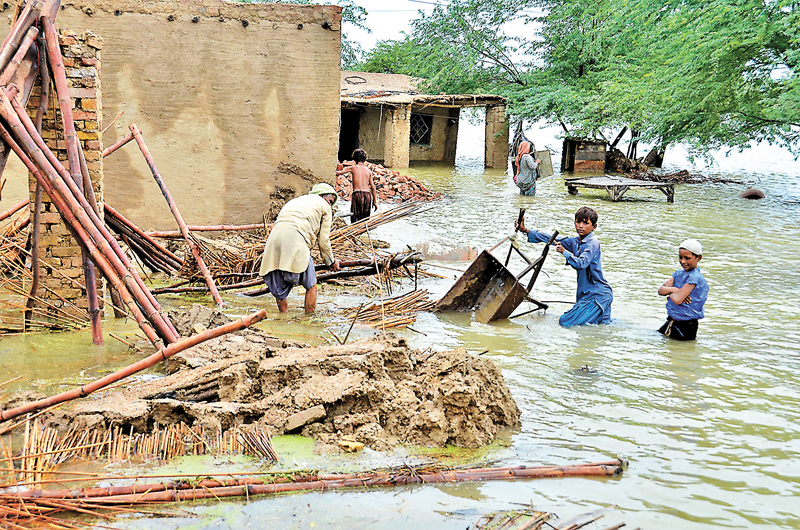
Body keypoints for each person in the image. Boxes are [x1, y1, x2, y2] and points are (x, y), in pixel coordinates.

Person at [515, 206, 613, 326]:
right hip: (588, 296)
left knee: (565, 321)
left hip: (598, 296)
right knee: (602, 327)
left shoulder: (593, 244)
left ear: (594, 227)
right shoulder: (575, 241)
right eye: (578, 222)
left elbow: (581, 264)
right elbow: (550, 238)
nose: (581, 226)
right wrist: (525, 231)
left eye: (585, 223)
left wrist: (564, 252)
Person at [259, 183, 342, 314]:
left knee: (279, 287)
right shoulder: (324, 206)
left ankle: (283, 318)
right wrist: (330, 262)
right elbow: (323, 240)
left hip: (274, 238)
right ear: (321, 196)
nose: (330, 205)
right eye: (330, 201)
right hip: (296, 238)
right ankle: (309, 319)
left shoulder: (297, 201)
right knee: (311, 284)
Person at [657, 239, 708, 340]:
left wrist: (670, 291)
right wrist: (675, 290)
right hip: (672, 320)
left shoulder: (695, 278)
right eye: (680, 257)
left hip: (686, 325)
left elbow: (678, 300)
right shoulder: (678, 274)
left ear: (699, 257)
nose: (683, 261)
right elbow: (661, 290)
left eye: (687, 258)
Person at [336, 149, 378, 223]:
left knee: (355, 218)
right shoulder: (368, 171)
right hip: (367, 195)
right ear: (364, 159)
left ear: (354, 158)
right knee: (365, 219)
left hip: (357, 194)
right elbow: (373, 188)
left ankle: (355, 233)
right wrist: (375, 202)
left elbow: (338, 173)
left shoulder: (353, 168)